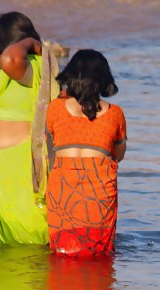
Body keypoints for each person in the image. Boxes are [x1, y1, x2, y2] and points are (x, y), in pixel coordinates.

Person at [0, 11, 59, 245]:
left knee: (29, 246)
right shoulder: (3, 75)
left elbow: (9, 60)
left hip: (18, 171)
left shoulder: (33, 67)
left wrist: (31, 43)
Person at [45, 49, 127, 258]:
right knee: (98, 259)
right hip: (98, 196)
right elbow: (118, 154)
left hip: (63, 192)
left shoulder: (55, 108)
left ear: (71, 76)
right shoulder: (115, 113)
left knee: (62, 257)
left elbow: (51, 146)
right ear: (103, 79)